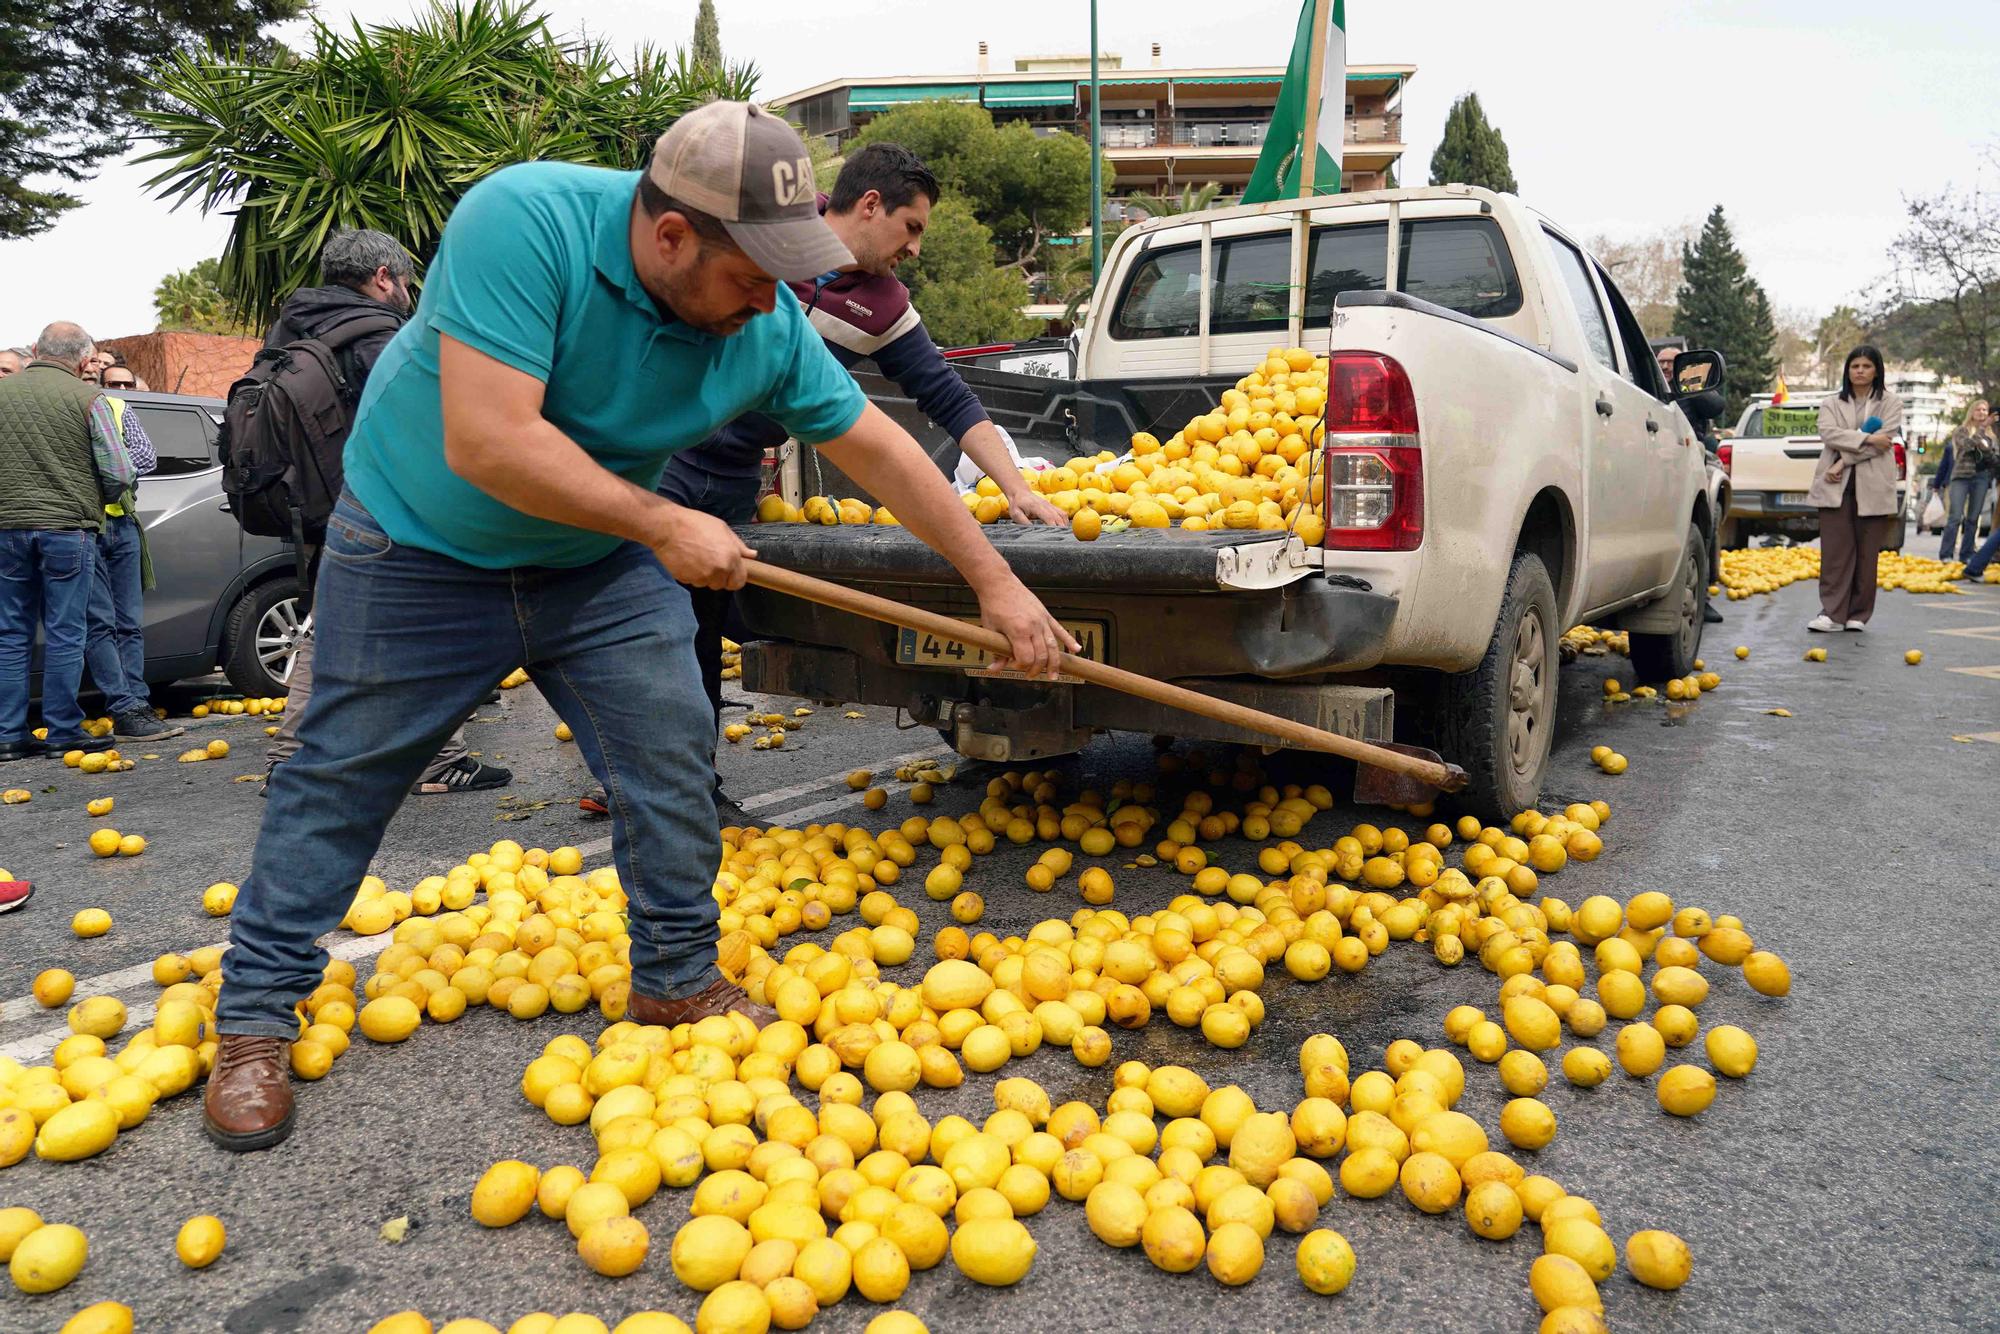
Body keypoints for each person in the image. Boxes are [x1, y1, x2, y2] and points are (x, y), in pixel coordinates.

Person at [202, 102, 1074, 1151]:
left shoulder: (765, 325)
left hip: (595, 558)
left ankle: (675, 975)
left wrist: (992, 583)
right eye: (752, 277)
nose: (771, 304)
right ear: (670, 237)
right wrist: (665, 520)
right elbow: (487, 440)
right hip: (420, 543)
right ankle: (253, 1011)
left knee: (667, 750)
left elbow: (876, 447)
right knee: (341, 771)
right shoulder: (523, 222)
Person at [589, 143, 1066, 822]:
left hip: (731, 478)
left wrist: (1015, 486)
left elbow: (947, 396)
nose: (915, 250)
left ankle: (683, 788)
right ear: (871, 205)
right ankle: (650, 785)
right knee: (649, 623)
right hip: (660, 457)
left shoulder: (883, 305)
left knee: (705, 627)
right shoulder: (772, 233)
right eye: (912, 228)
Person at [259, 228, 512, 797]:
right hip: (391, 506)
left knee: (327, 631)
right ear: (382, 278)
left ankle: (290, 757)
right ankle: (438, 760)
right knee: (437, 631)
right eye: (404, 281)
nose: (407, 291)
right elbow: (428, 419)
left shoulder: (292, 327)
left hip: (321, 504)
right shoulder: (379, 335)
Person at [0, 322, 139, 762]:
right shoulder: (90, 399)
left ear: (37, 349)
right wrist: (104, 500)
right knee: (66, 632)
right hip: (68, 528)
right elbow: (119, 472)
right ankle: (62, 730)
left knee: (10, 632)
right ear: (84, 362)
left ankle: (8, 733)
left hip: (6, 528)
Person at [81, 375, 184, 741]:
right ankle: (123, 705)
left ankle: (138, 703)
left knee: (129, 623)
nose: (110, 385)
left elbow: (146, 456)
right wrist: (111, 462)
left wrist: (101, 464)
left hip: (122, 522)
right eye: (106, 379)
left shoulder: (118, 406)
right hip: (85, 525)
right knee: (100, 623)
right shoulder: (72, 405)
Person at [1806, 345, 1903, 633]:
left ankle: (1858, 614)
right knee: (1835, 553)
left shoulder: (1891, 402)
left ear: (1876, 371)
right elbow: (1829, 433)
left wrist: (1842, 461)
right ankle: (1831, 614)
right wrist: (1867, 439)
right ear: (1847, 371)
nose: (1860, 371)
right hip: (1836, 486)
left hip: (1872, 485)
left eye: (1866, 366)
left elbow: (1885, 442)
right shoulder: (1831, 403)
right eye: (1855, 366)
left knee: (1867, 553)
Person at [1936, 400, 1995, 561]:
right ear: (1972, 412)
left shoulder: (1990, 435)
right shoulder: (1961, 430)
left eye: (1985, 410)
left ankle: (1966, 554)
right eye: (1978, 409)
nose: (1982, 412)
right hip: (1961, 477)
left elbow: (1990, 456)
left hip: (1981, 478)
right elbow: (1967, 446)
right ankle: (1946, 554)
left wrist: (1984, 443)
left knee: (1973, 518)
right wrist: (1981, 433)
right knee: (1955, 517)